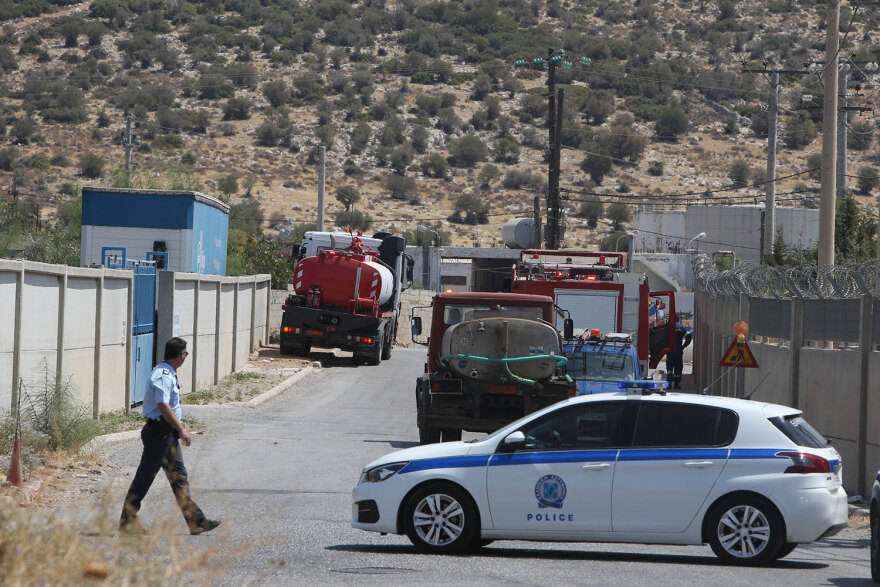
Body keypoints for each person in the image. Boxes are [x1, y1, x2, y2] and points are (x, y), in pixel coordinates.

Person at [120, 337, 221, 535]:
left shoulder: (167, 372)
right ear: (182, 355)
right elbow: (162, 405)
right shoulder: (163, 375)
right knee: (144, 479)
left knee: (179, 478)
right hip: (159, 434)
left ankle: (196, 521)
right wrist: (181, 429)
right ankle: (127, 522)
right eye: (186, 354)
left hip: (167, 434)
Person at [666, 321, 693, 390]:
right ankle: (676, 384)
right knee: (678, 367)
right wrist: (684, 345)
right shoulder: (681, 328)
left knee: (669, 368)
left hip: (670, 351)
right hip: (678, 351)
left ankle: (669, 384)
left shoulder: (667, 327)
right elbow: (689, 335)